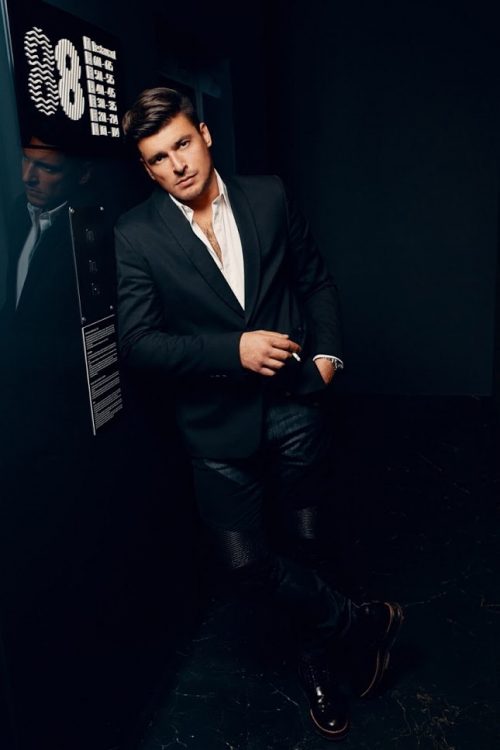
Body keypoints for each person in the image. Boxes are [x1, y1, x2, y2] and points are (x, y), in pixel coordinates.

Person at [114, 87, 403, 741]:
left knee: (307, 545)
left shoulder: (268, 196)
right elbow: (138, 344)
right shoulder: (136, 235)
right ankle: (361, 624)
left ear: (206, 135)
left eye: (182, 144)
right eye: (158, 158)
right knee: (245, 564)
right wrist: (233, 350)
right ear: (148, 169)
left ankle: (319, 665)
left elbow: (315, 278)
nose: (177, 165)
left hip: (297, 408)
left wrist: (327, 357)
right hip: (215, 426)